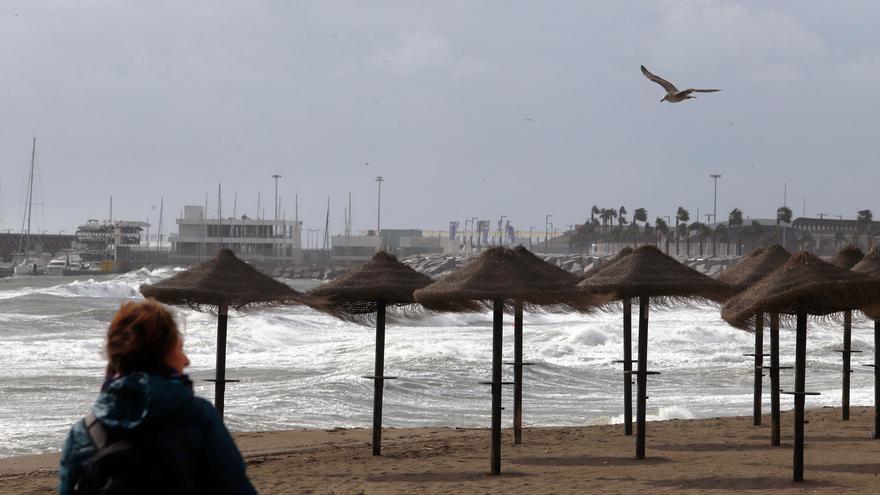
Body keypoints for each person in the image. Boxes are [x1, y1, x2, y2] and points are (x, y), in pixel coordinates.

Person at [58, 299, 257, 494]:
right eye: (179, 348)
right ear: (164, 354)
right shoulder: (199, 416)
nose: (186, 360)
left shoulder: (84, 433)